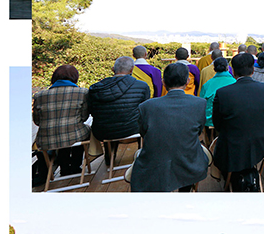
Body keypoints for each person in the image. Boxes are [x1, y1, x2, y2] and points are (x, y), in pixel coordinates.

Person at [127, 62, 209, 193]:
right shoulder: (199, 103)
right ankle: (185, 191)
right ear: (187, 81)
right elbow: (198, 131)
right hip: (190, 163)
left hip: (155, 164)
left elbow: (144, 132)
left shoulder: (146, 106)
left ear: (163, 82)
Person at [212, 52, 264, 192]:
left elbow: (217, 124)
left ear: (232, 71)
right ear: (252, 70)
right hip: (259, 145)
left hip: (232, 148)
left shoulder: (223, 93)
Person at [32, 64, 90, 179]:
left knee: (61, 136)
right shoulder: (82, 93)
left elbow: (37, 121)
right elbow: (84, 117)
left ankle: (64, 167)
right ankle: (75, 165)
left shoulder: (39, 95)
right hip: (74, 135)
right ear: (75, 77)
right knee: (84, 131)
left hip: (46, 140)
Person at [87, 56, 150, 144]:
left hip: (102, 132)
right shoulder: (142, 86)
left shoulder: (96, 87)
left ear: (113, 69)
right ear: (132, 70)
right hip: (132, 130)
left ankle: (109, 155)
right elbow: (145, 111)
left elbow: (91, 111)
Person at [199, 57, 235, 127]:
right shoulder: (234, 82)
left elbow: (202, 102)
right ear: (228, 67)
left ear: (214, 68)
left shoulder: (207, 84)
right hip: (230, 120)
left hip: (209, 121)